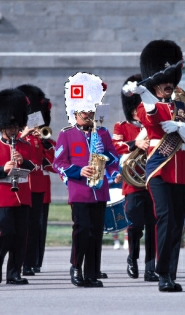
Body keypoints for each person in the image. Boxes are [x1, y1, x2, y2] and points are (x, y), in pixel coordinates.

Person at [122, 40, 185, 292]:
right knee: (164, 217)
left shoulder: (183, 108)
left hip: (183, 172)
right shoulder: (145, 105)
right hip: (159, 170)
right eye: (163, 80)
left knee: (176, 223)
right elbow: (152, 122)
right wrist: (143, 92)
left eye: (170, 80)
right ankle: (161, 272)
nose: (168, 84)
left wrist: (181, 127)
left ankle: (170, 273)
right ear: (154, 83)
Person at [53, 72, 121, 288]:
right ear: (76, 113)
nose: (89, 116)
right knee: (82, 229)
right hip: (80, 190)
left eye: (91, 112)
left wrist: (105, 154)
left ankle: (91, 273)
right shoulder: (67, 134)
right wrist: (79, 171)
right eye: (85, 113)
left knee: (96, 232)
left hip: (100, 189)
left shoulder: (102, 133)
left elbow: (114, 157)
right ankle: (76, 267)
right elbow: (58, 163)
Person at [0, 88, 37, 285]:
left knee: (21, 236)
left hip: (22, 194)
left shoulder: (25, 146)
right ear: (2, 126)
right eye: (10, 127)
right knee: (6, 233)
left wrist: (22, 160)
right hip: (2, 195)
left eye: (16, 126)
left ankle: (14, 273)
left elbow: (35, 167)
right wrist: (3, 169)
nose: (14, 130)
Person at [112, 73, 158, 282]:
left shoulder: (154, 126)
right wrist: (135, 144)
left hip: (154, 181)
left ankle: (150, 267)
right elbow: (114, 147)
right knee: (135, 225)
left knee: (153, 226)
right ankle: (132, 257)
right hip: (133, 185)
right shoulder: (122, 126)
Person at [16, 84, 56, 275]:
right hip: (22, 185)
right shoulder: (17, 136)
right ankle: (21, 261)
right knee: (21, 227)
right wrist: (24, 134)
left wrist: (45, 142)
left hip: (39, 186)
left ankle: (30, 263)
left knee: (35, 227)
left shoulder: (40, 138)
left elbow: (53, 161)